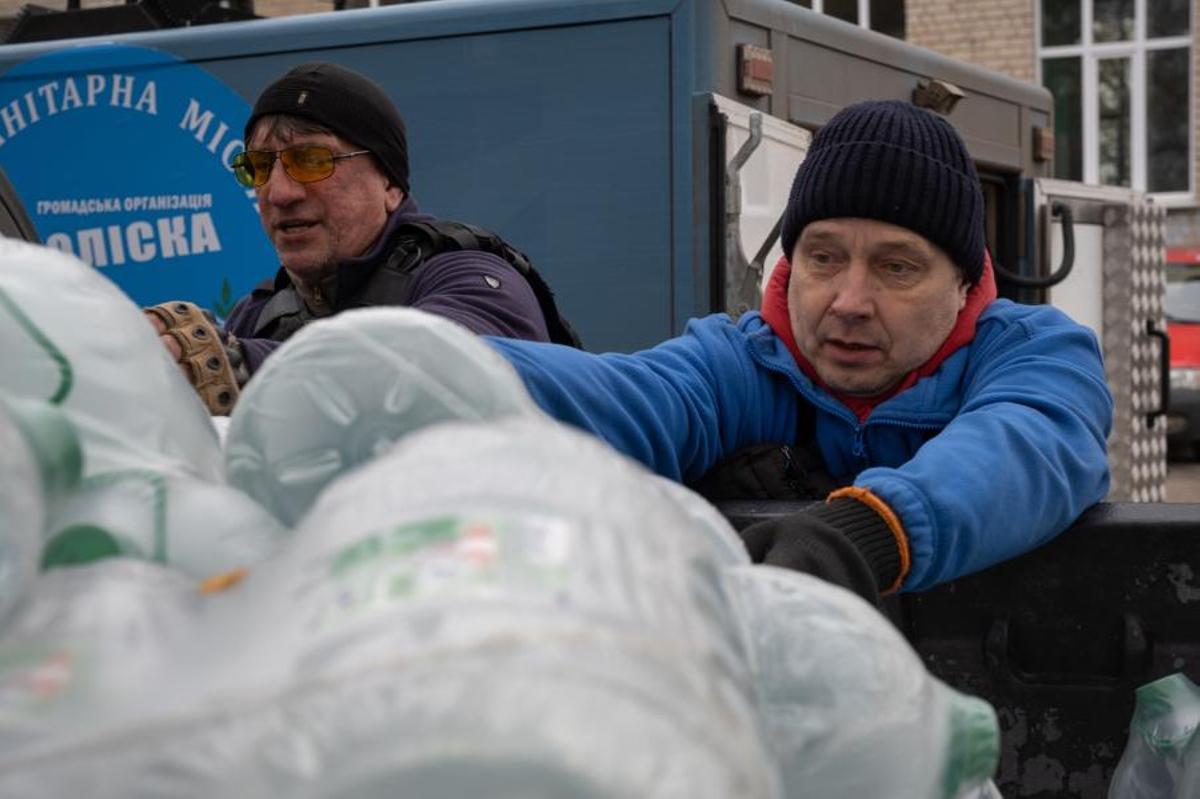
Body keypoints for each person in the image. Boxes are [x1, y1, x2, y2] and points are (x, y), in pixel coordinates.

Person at [485, 99, 1113, 602]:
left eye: (896, 267)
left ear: (964, 285)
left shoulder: (1033, 353)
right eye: (824, 257)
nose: (849, 301)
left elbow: (1032, 439)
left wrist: (872, 531)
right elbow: (624, 397)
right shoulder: (745, 365)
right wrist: (440, 369)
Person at [146, 61, 576, 414]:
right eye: (259, 167)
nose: (278, 193)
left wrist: (243, 367)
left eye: (312, 161)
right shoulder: (257, 314)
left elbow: (437, 376)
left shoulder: (471, 278)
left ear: (389, 183)